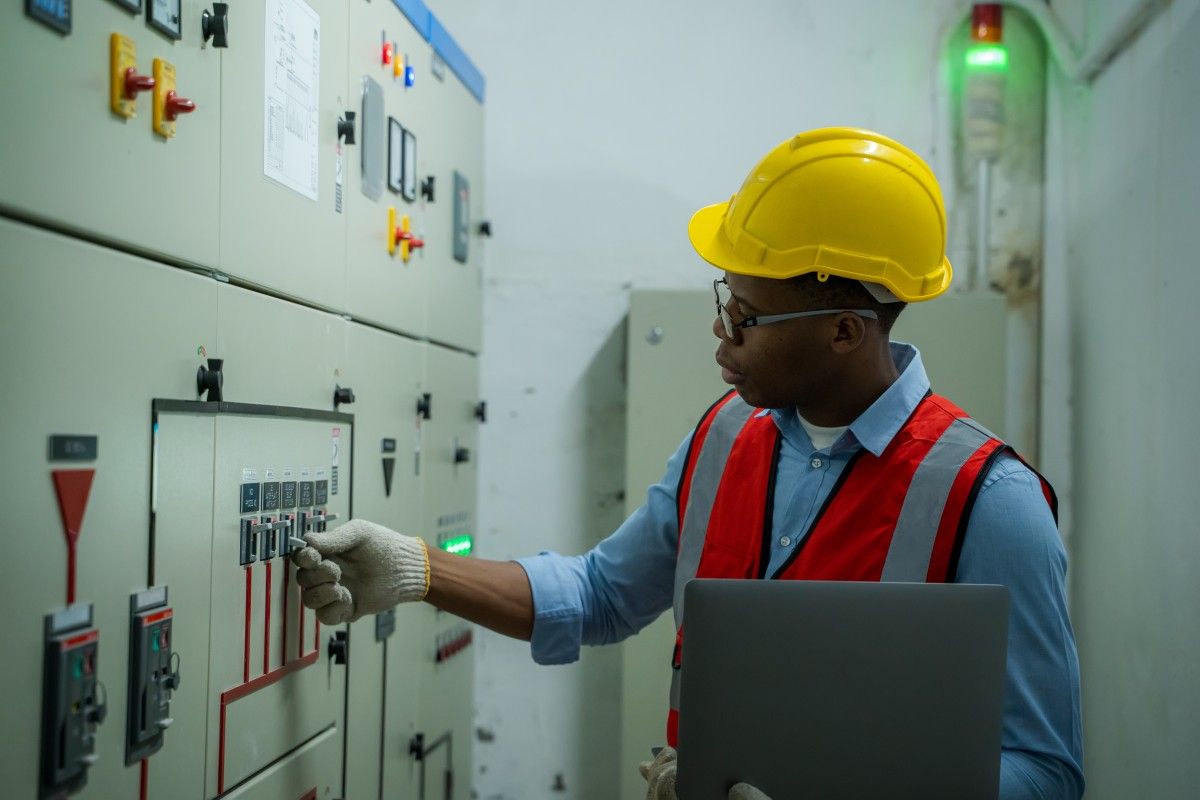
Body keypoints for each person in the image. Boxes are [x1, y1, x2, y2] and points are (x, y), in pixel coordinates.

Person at [293, 128, 1084, 800]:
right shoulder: (725, 438)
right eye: (723, 300)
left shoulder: (990, 499)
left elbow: (1045, 773)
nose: (720, 334)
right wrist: (419, 571)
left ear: (845, 330)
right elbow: (601, 593)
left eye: (746, 317)